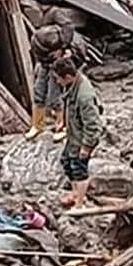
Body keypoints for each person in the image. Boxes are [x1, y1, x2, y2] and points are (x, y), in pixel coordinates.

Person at [26, 0, 88, 141]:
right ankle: (37, 125)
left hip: (55, 61)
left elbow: (68, 26)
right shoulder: (45, 14)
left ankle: (61, 127)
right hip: (45, 61)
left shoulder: (55, 12)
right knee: (39, 91)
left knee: (55, 95)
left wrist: (63, 48)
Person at [52, 57, 103, 208]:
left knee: (79, 168)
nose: (57, 82)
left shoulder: (84, 96)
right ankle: (75, 194)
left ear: (67, 77)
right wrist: (64, 122)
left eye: (58, 79)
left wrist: (86, 147)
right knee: (67, 162)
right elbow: (70, 107)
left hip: (82, 138)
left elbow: (93, 125)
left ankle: (80, 203)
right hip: (74, 135)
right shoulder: (72, 86)